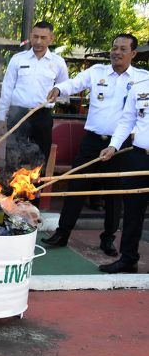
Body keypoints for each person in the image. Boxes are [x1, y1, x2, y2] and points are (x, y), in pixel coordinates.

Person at [42, 34, 146, 256]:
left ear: (133, 53)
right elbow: (74, 83)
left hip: (122, 146)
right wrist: (59, 89)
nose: (116, 52)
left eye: (122, 49)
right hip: (92, 141)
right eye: (114, 47)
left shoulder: (141, 80)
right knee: (76, 185)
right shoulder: (97, 72)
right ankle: (62, 233)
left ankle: (107, 239)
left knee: (113, 194)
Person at [96, 73, 149, 273]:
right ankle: (128, 259)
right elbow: (127, 121)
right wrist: (114, 146)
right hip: (139, 156)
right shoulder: (140, 86)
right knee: (132, 211)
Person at [0, 21, 69, 165]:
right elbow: (7, 89)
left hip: (42, 116)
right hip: (17, 114)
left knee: (40, 159)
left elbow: (65, 88)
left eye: (43, 37)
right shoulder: (18, 59)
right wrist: (1, 117)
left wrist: (57, 97)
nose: (38, 41)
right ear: (30, 36)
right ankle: (10, 187)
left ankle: (38, 187)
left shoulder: (58, 62)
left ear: (51, 38)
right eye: (35, 36)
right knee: (12, 158)